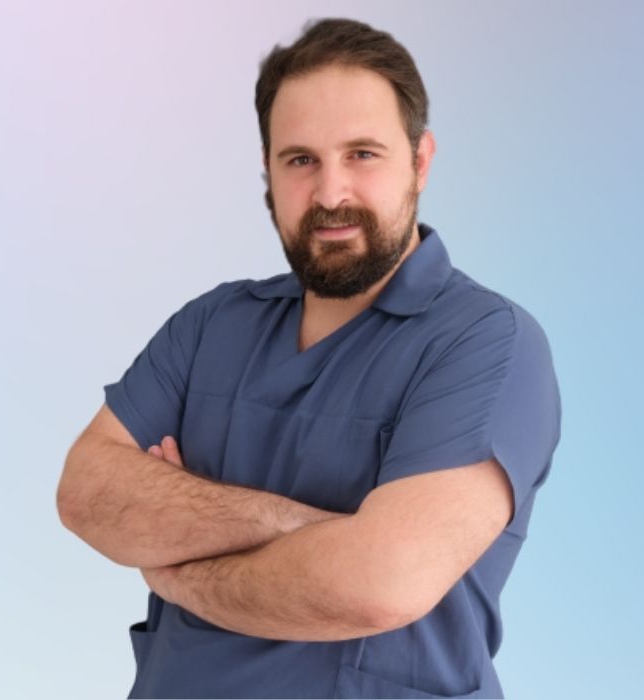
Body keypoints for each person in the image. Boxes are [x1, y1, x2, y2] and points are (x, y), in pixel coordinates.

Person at [56, 17, 561, 699]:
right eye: (300, 160)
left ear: (420, 160)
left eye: (362, 154)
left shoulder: (486, 342)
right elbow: (86, 493)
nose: (330, 194)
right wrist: (293, 525)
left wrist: (179, 570)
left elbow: (381, 582)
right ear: (267, 172)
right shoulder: (211, 325)